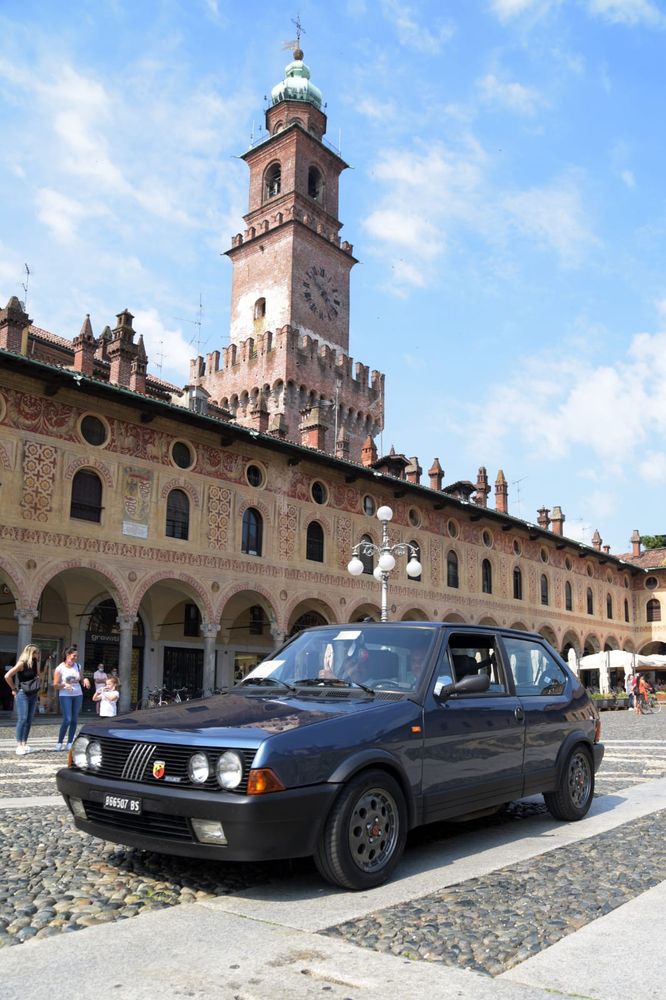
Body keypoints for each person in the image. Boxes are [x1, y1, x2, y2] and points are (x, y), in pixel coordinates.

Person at [4, 644, 43, 755]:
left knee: (29, 720)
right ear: (31, 653)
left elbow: (37, 676)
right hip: (23, 694)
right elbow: (7, 676)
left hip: (33, 694)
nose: (38, 655)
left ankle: (24, 743)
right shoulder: (21, 663)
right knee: (22, 719)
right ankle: (19, 745)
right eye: (37, 653)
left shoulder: (35, 663)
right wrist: (13, 688)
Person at [53, 646, 90, 750]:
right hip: (65, 695)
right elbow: (55, 685)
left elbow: (81, 679)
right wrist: (64, 685)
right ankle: (59, 742)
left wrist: (85, 680)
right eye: (74, 655)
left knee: (74, 719)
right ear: (67, 655)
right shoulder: (60, 668)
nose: (76, 658)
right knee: (67, 719)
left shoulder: (78, 666)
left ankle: (70, 743)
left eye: (77, 656)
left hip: (78, 694)